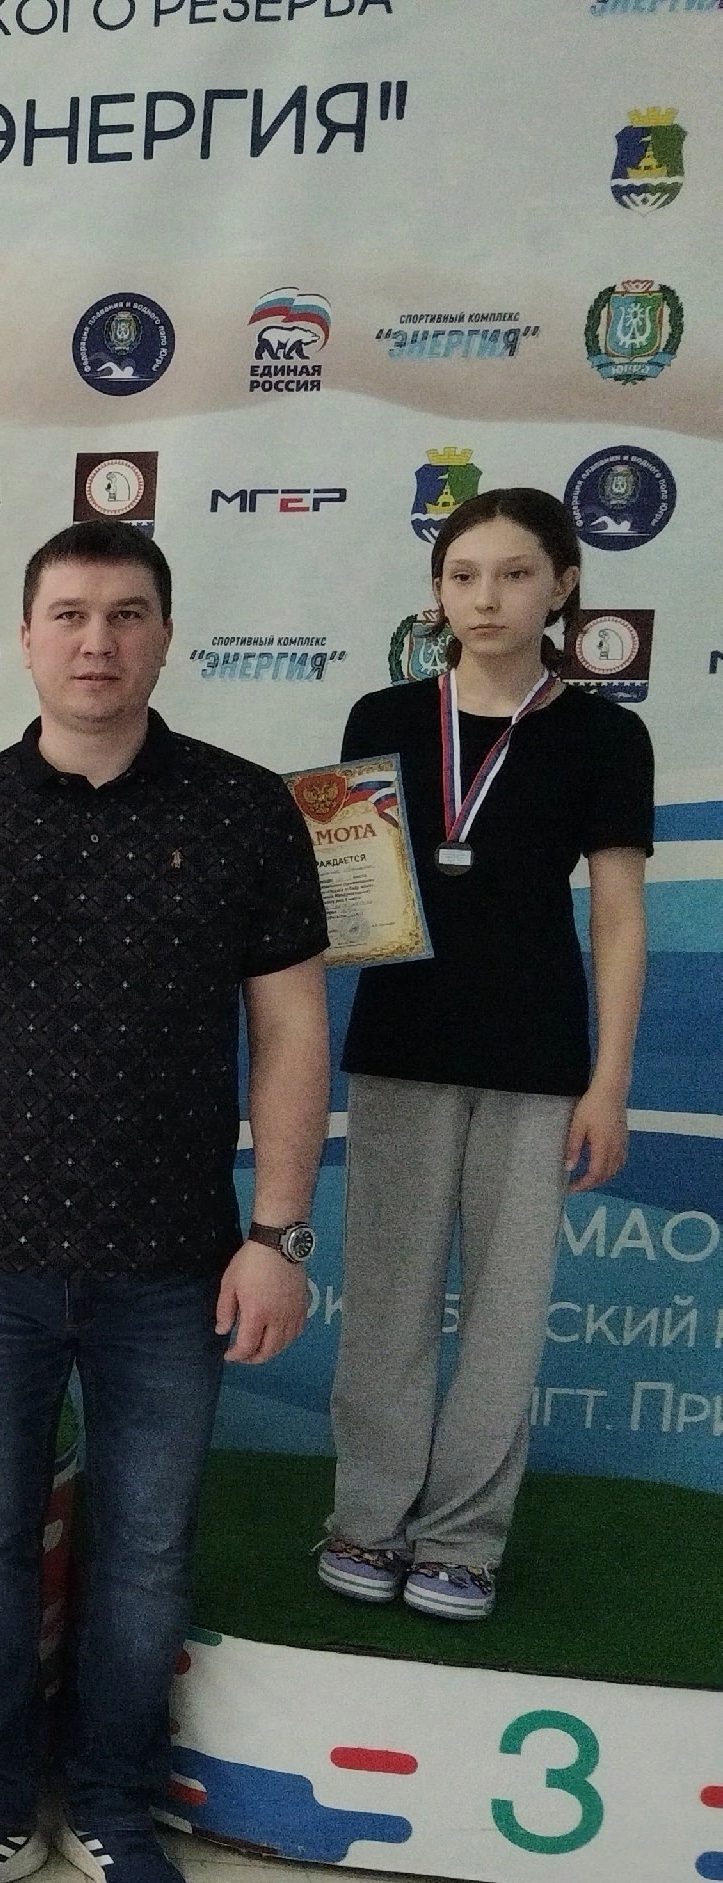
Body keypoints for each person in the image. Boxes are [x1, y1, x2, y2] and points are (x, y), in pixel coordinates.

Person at [0, 521, 331, 1883]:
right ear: (26, 636)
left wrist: (279, 1236)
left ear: (165, 635)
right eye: (68, 614)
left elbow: (292, 1033)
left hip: (175, 1265)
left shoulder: (244, 811)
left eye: (126, 614)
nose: (97, 641)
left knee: (146, 1552)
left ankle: (115, 1812)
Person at [318, 488, 651, 1623]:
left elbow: (618, 918)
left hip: (538, 1058)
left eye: (514, 575)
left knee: (506, 1314)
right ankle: (367, 1520)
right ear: (436, 592)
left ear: (562, 585)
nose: (487, 598)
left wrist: (608, 1082)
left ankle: (461, 1540)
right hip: (400, 1045)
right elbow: (352, 885)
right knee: (386, 1303)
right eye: (463, 576)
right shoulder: (383, 715)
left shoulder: (605, 735)